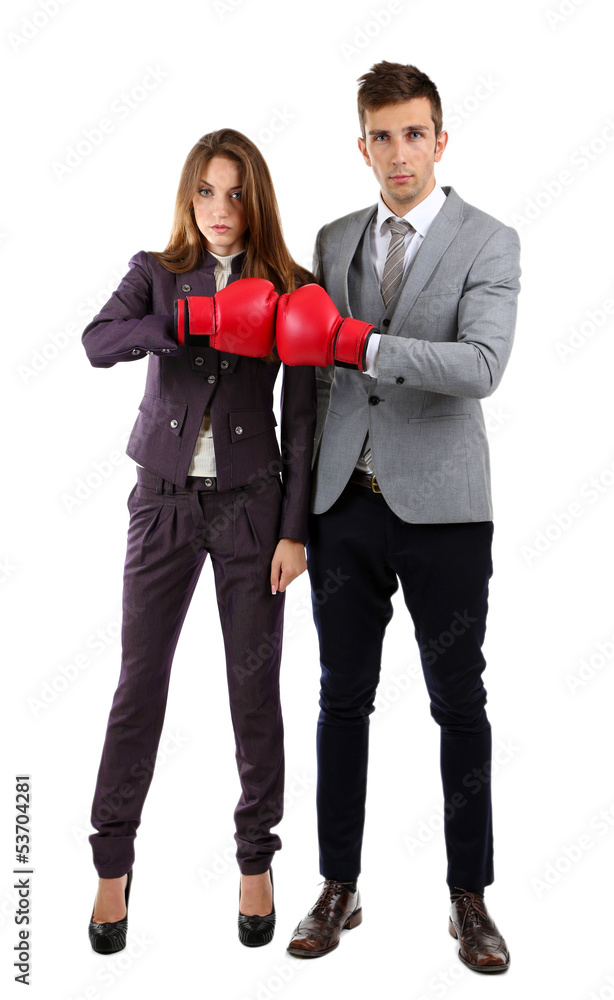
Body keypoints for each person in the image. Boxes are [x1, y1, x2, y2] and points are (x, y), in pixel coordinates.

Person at [275, 61, 521, 972]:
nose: (399, 152)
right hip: (344, 507)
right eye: (382, 136)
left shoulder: (489, 242)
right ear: (364, 145)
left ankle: (471, 897)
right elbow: (306, 384)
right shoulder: (335, 239)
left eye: (415, 133)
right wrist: (295, 516)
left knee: (459, 702)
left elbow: (482, 366)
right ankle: (339, 885)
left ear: (441, 140)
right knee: (342, 700)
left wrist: (365, 342)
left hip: (447, 514)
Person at [82, 128, 316, 953]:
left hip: (255, 507)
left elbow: (308, 418)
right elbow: (94, 343)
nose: (221, 209)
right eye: (207, 191)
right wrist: (178, 320)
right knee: (139, 682)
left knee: (254, 693)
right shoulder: (155, 271)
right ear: (189, 196)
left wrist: (296, 533)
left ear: (257, 199)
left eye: (237, 192)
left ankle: (257, 858)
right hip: (163, 503)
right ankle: (113, 865)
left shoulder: (290, 285)